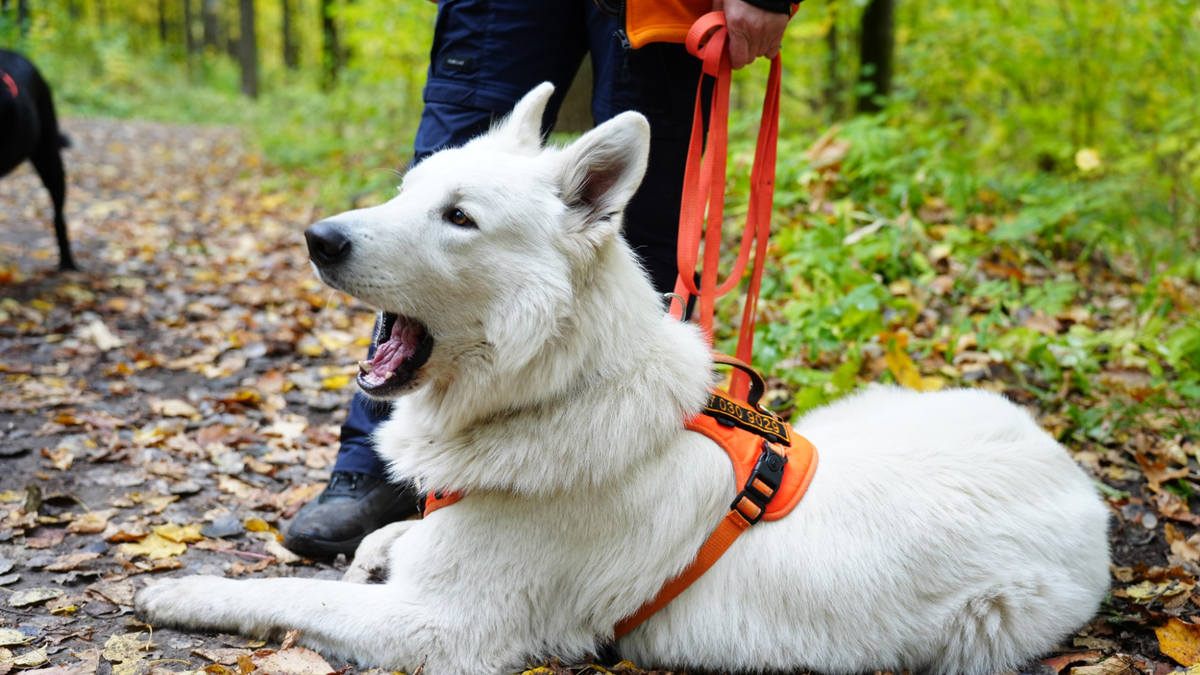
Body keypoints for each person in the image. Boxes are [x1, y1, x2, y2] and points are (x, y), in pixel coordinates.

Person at [284, 0, 796, 558]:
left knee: (637, 231)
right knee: (456, 157)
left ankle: (608, 489)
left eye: (457, 218)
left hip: (664, 7)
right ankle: (373, 467)